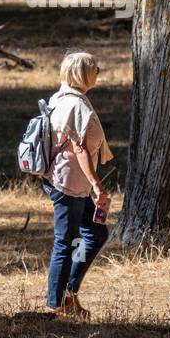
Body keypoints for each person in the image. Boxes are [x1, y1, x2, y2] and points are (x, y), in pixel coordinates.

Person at [42, 51, 113, 319]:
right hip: (68, 183)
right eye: (94, 68)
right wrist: (98, 185)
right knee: (66, 242)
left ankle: (69, 293)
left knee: (95, 234)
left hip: (72, 183)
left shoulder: (61, 98)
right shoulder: (75, 104)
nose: (98, 72)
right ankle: (55, 305)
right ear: (83, 74)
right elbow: (79, 149)